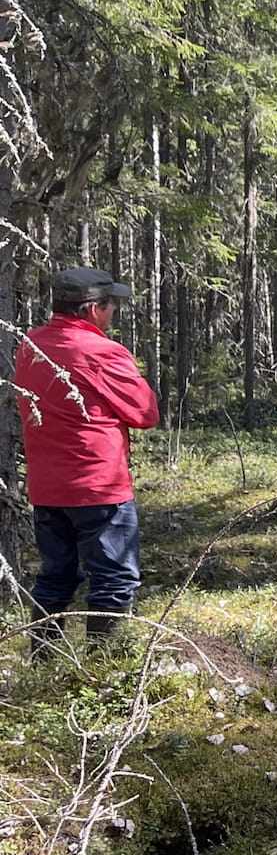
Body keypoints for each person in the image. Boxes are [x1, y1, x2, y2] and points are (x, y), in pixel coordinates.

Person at [13, 268, 160, 651]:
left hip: (47, 486)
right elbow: (145, 414)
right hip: (99, 485)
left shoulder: (31, 344)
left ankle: (44, 663)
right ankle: (101, 666)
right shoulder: (102, 352)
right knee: (114, 579)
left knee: (54, 577)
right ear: (94, 309)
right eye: (111, 305)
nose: (114, 312)